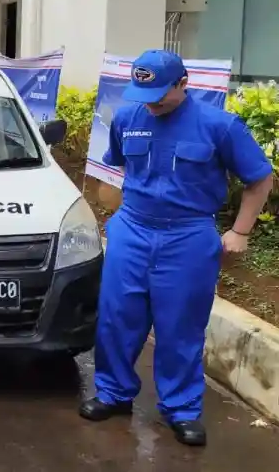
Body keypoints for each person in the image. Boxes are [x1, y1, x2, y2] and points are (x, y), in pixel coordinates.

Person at [80, 49, 273, 447]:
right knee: (117, 318)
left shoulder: (219, 126)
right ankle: (113, 393)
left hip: (187, 235)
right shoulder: (127, 118)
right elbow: (120, 167)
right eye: (143, 95)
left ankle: (181, 409)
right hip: (133, 229)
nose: (150, 104)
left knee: (180, 326)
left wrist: (240, 231)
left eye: (159, 95)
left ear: (183, 83)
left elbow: (260, 179)